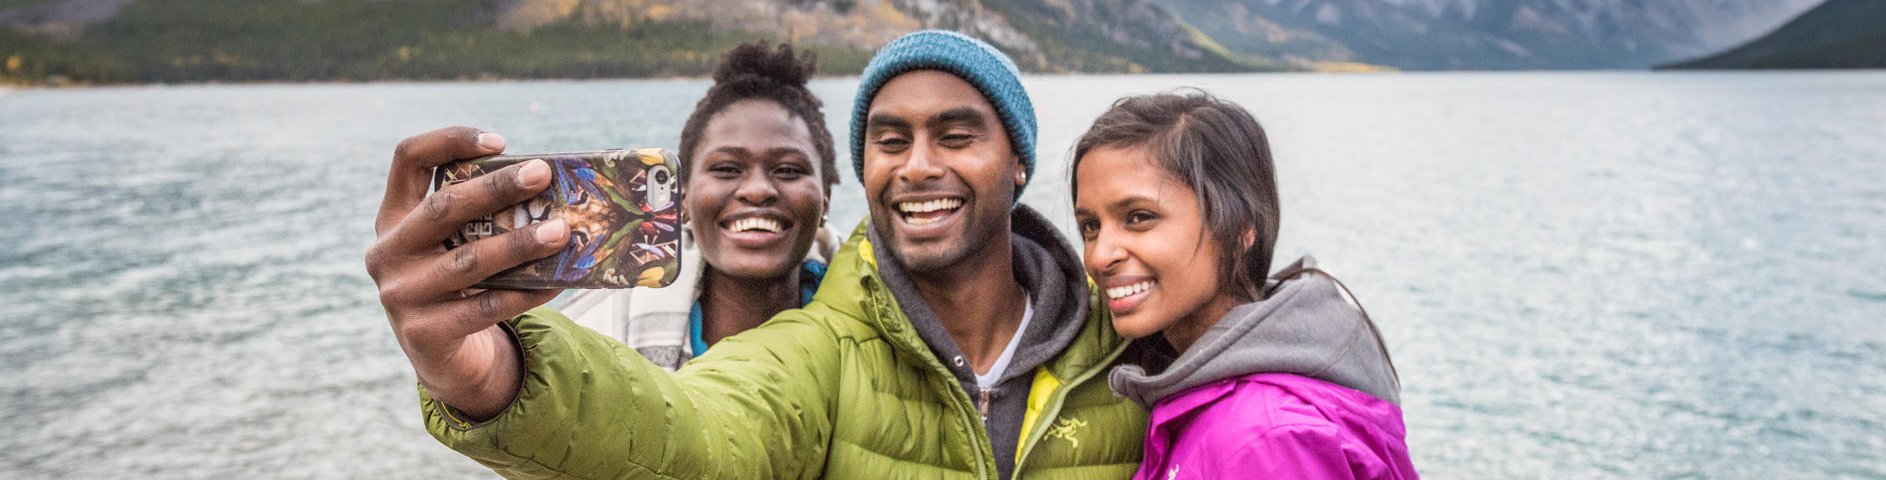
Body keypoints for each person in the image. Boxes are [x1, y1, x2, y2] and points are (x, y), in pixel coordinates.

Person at [364, 30, 1149, 479]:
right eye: (889, 139)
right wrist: (485, 371)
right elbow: (686, 423)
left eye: (955, 135)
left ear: (1018, 162)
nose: (916, 166)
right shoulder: (824, 346)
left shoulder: (1125, 327)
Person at [1070, 90, 1418, 479]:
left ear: (1239, 229)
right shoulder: (1217, 399)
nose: (1099, 256)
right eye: (1091, 227)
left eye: (1138, 217)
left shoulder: (1265, 439)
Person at [556, 41, 842, 370]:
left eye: (789, 170)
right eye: (727, 169)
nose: (758, 190)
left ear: (825, 200)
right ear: (683, 200)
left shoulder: (872, 324)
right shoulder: (593, 340)